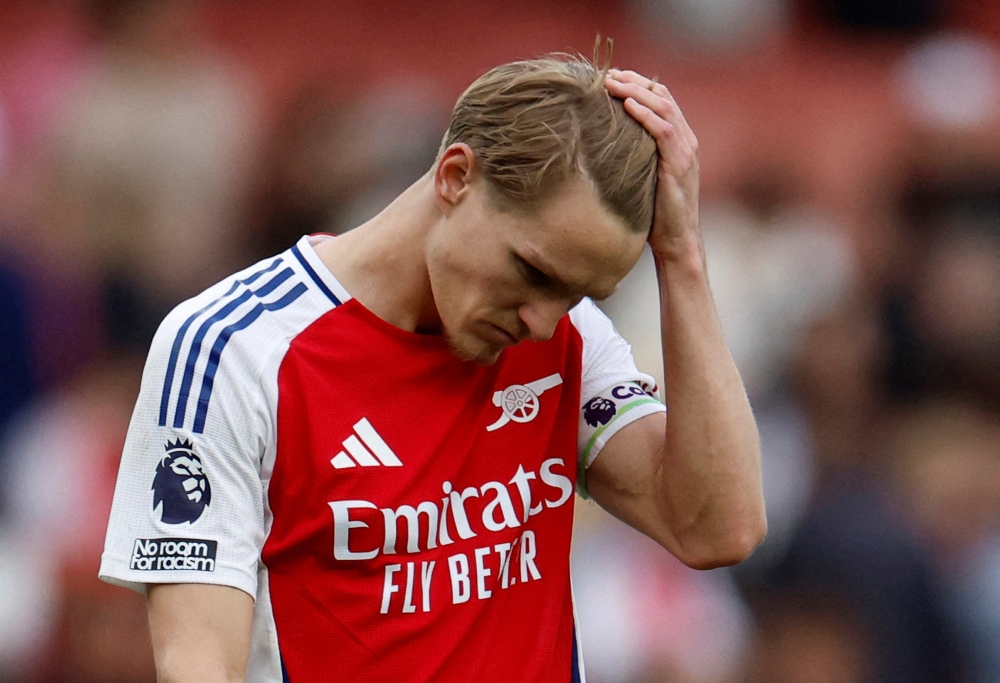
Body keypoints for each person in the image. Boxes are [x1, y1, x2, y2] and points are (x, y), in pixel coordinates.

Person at [99, 52, 766, 683]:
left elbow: (715, 526)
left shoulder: (564, 336)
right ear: (455, 176)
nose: (541, 319)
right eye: (531, 270)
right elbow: (198, 661)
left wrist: (680, 255)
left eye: (577, 294)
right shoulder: (231, 349)